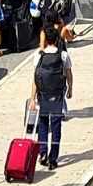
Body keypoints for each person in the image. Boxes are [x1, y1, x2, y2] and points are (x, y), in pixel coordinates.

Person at [30, 26, 73, 170]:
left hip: (43, 94)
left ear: (46, 40)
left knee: (42, 124)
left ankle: (42, 153)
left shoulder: (39, 55)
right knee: (56, 126)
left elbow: (36, 78)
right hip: (57, 95)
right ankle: (53, 159)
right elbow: (69, 74)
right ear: (56, 39)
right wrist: (70, 89)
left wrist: (32, 98)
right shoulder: (63, 55)